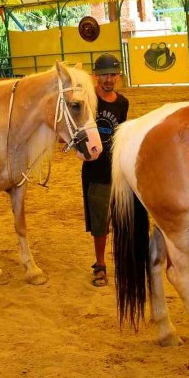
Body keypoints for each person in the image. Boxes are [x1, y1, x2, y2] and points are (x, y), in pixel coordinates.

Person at [83, 53, 129, 287]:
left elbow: (122, 134)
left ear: (118, 76)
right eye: (103, 75)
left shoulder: (122, 103)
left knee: (120, 219)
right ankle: (100, 264)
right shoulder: (88, 101)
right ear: (95, 77)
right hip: (95, 170)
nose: (108, 79)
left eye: (112, 74)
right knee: (100, 221)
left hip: (117, 170)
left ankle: (121, 261)